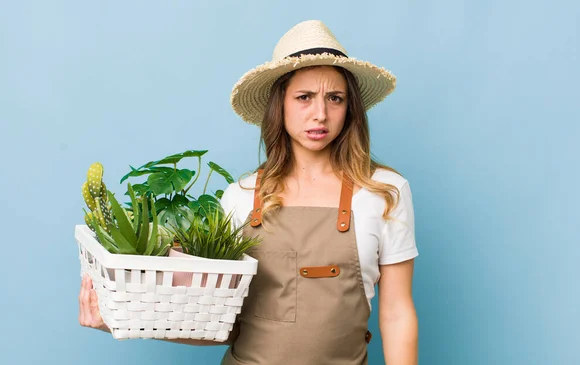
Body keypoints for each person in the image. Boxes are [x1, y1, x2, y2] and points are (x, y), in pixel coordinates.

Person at [79, 19, 418, 365]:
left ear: (350, 109)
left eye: (335, 98)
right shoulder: (241, 196)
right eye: (304, 97)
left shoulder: (385, 193)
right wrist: (117, 319)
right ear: (280, 104)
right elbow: (217, 325)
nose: (320, 114)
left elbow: (396, 312)